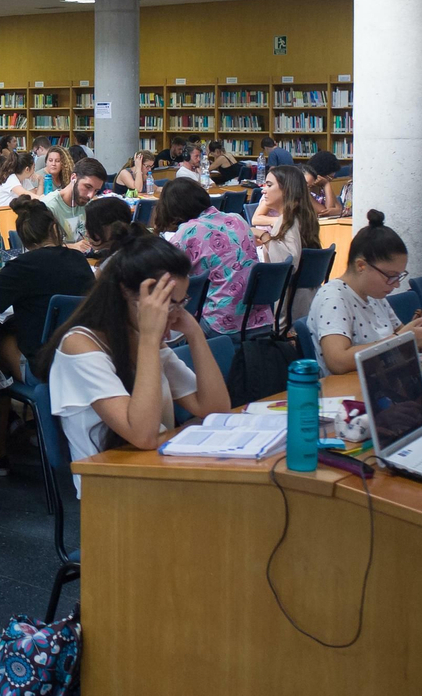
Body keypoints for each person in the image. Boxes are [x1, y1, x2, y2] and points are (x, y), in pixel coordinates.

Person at [32, 229, 230, 494]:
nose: (172, 314)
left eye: (180, 303)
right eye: (167, 304)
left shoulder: (140, 336)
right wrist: (150, 338)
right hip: (112, 488)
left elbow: (214, 407)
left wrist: (194, 333)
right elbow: (144, 434)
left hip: (155, 470)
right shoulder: (79, 345)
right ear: (128, 293)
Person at [0, 194, 96, 473]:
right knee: (7, 331)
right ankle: (23, 424)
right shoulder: (78, 260)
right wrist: (0, 281)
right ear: (55, 229)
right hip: (84, 362)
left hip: (43, 367)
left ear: (23, 238)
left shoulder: (22, 267)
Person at [307, 209, 422, 375]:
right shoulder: (333, 298)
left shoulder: (374, 295)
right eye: (391, 276)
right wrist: (402, 340)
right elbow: (337, 361)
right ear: (361, 266)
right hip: (348, 392)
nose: (396, 284)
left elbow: (399, 334)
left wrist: (418, 335)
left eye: (399, 276)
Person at [156, 177, 273, 338]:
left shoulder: (188, 232)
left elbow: (163, 273)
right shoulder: (237, 219)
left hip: (222, 325)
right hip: (259, 319)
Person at [252, 165, 321, 265]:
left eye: (269, 185)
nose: (263, 190)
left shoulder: (291, 221)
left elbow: (289, 264)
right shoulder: (302, 217)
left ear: (286, 190)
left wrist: (263, 236)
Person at [43, 157, 105, 243]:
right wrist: (72, 248)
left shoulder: (88, 204)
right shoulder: (49, 206)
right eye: (87, 187)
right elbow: (43, 248)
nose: (90, 195)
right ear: (73, 178)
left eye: (96, 191)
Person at [304, 151, 344, 216]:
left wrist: (336, 210)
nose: (332, 178)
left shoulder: (322, 187)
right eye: (330, 177)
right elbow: (325, 212)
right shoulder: (307, 188)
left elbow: (339, 209)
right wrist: (326, 184)